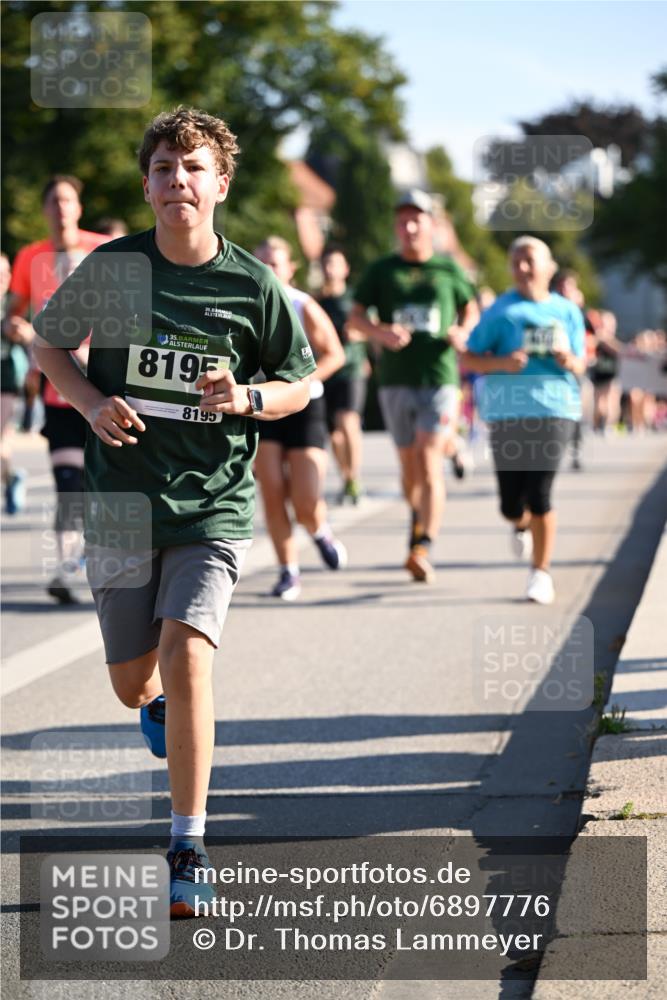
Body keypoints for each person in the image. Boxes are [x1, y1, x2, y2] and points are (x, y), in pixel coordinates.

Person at [32, 108, 316, 917]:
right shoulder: (115, 268)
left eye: (192, 168)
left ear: (219, 184)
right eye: (162, 168)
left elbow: (299, 381)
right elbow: (49, 342)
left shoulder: (250, 283)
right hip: (120, 503)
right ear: (148, 185)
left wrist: (252, 395)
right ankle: (153, 707)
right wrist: (88, 402)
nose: (177, 181)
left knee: (190, 653)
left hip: (211, 507)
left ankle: (187, 846)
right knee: (133, 684)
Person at [349, 189, 479, 584]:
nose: (409, 227)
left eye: (416, 219)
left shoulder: (448, 269)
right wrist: (380, 331)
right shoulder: (382, 270)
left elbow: (470, 307)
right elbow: (355, 319)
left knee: (427, 460)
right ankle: (418, 517)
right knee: (409, 468)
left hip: (439, 375)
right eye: (402, 220)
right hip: (395, 380)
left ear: (431, 225)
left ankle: (422, 544)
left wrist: (463, 330)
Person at [462, 236, 586, 605]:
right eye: (516, 262)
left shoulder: (567, 311)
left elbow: (581, 362)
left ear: (548, 268)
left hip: (554, 407)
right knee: (510, 504)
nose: (523, 268)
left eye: (530, 261)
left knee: (541, 492)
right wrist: (501, 363)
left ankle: (540, 573)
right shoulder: (501, 311)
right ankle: (519, 523)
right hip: (508, 410)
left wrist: (567, 359)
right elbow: (470, 357)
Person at [4, 175, 110, 600]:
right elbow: (13, 315)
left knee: (101, 487)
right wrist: (20, 329)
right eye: (54, 201)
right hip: (60, 391)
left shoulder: (105, 250)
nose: (62, 208)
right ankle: (65, 571)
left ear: (78, 208)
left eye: (68, 200)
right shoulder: (31, 255)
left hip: (107, 388)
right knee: (68, 483)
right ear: (45, 209)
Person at [254, 236, 346, 601]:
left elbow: (334, 353)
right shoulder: (245, 305)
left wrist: (302, 382)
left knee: (306, 500)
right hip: (262, 407)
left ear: (290, 269)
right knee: (273, 490)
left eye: (275, 263)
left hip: (305, 407)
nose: (268, 271)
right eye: (261, 263)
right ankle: (288, 572)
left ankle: (320, 530)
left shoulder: (302, 304)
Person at [318, 245, 368, 504]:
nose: (330, 269)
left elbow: (370, 327)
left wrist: (358, 333)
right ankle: (346, 477)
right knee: (334, 433)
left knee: (347, 420)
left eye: (335, 264)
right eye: (326, 264)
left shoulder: (354, 300)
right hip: (327, 371)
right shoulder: (317, 302)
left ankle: (355, 477)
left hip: (352, 368)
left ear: (345, 269)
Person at [0, 252, 30, 513]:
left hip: (5, 376)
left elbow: (33, 336)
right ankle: (11, 479)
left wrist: (20, 332)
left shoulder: (15, 306)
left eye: (4, 273)